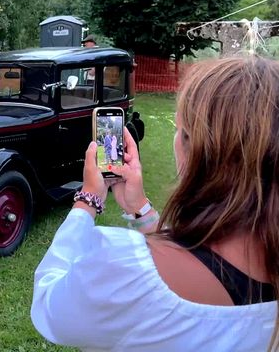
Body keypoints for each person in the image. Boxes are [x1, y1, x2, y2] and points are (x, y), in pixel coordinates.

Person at [31, 56, 278, 351]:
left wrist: (87, 199)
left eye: (180, 128)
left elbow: (49, 306)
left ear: (195, 148)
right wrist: (139, 208)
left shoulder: (123, 270)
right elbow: (203, 257)